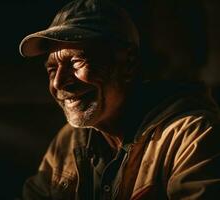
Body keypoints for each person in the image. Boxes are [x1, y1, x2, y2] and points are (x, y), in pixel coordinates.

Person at [18, 0, 220, 199]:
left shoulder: (192, 134)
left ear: (128, 63)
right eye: (52, 69)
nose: (59, 83)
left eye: (76, 61)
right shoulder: (70, 139)